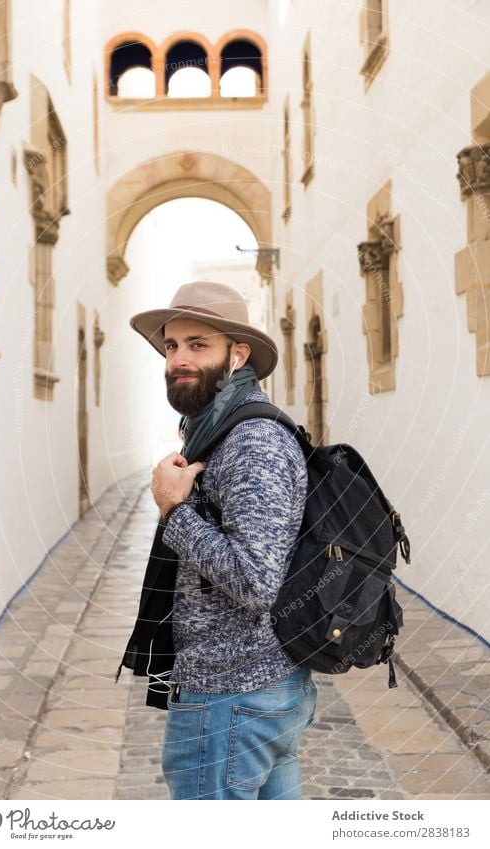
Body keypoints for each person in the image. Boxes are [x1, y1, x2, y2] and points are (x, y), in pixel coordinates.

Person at [127, 281, 317, 800]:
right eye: (171, 346)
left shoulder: (252, 440)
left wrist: (173, 508)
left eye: (198, 344)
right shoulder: (213, 429)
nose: (179, 359)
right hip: (253, 695)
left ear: (238, 355)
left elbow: (256, 582)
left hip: (233, 697)